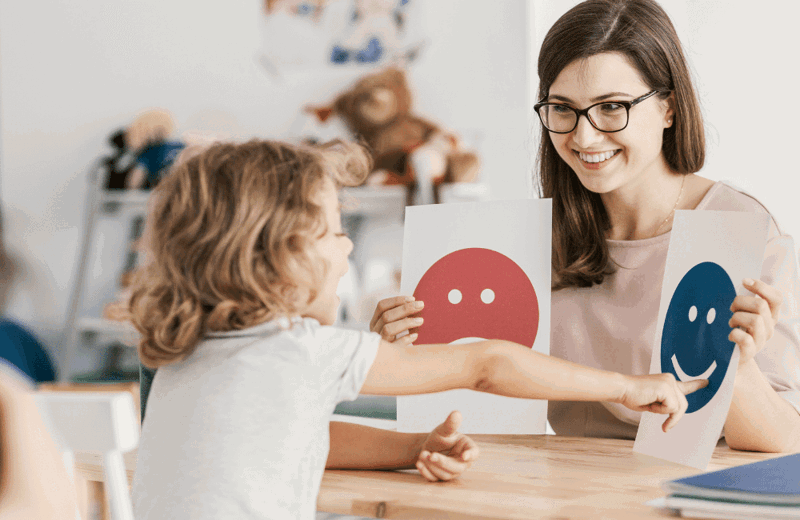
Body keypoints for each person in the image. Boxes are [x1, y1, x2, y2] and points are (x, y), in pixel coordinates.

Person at [127, 138, 703, 520]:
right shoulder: (301, 352)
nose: (347, 247)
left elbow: (301, 436)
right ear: (277, 257)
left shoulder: (185, 357)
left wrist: (413, 446)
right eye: (334, 231)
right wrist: (626, 386)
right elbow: (487, 364)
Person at [374, 0, 800, 452]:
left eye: (612, 106)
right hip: (571, 479)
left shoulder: (738, 228)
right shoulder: (531, 240)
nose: (584, 137)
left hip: (691, 482)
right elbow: (480, 396)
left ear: (669, 108)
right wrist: (395, 355)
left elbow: (784, 439)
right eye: (563, 108)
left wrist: (739, 365)